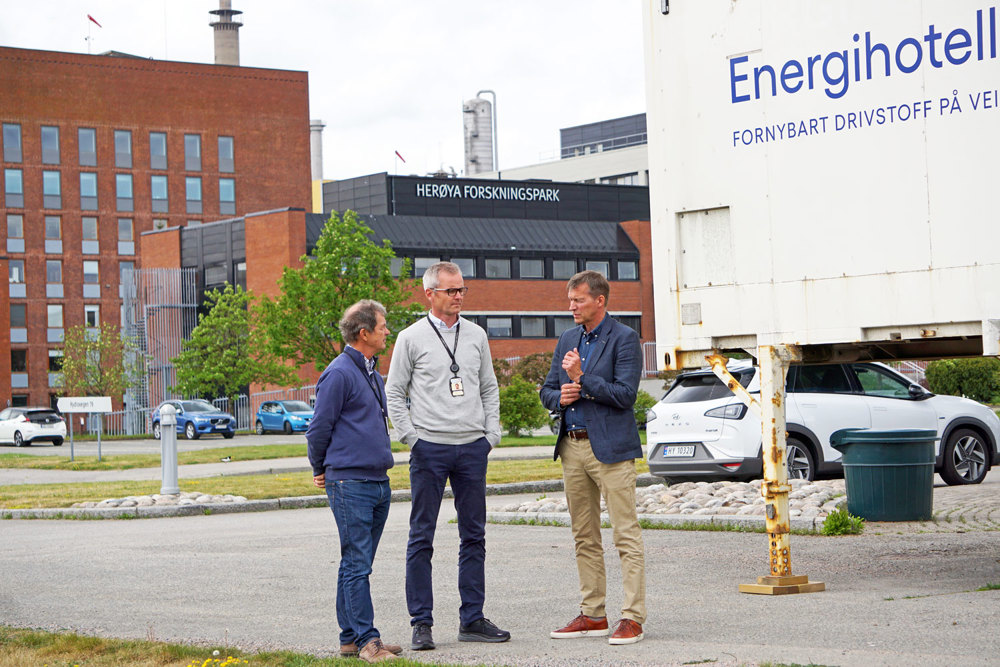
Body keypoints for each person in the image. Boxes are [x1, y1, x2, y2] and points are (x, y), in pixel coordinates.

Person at [385, 261, 510, 650]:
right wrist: (412, 439)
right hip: (430, 449)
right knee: (421, 536)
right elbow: (394, 393)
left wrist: (491, 435)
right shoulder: (410, 337)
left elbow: (488, 387)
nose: (459, 297)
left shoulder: (476, 335)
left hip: (473, 447)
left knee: (474, 535)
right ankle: (421, 623)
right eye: (451, 291)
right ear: (430, 294)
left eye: (462, 290)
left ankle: (472, 618)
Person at [539, 270, 647, 645]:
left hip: (611, 450)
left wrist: (582, 378)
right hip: (572, 446)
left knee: (625, 534)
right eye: (570, 300)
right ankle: (593, 614)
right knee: (584, 535)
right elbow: (548, 391)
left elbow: (625, 395)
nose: (571, 306)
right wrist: (561, 397)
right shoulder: (568, 338)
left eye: (579, 300)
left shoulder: (625, 338)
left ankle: (632, 617)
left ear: (600, 300)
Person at [307, 300, 403, 664]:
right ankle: (368, 641)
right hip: (350, 482)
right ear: (364, 333)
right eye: (382, 327)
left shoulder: (370, 372)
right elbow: (318, 429)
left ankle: (349, 639)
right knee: (357, 562)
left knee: (355, 563)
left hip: (376, 480)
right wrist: (321, 467)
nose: (387, 332)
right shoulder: (340, 373)